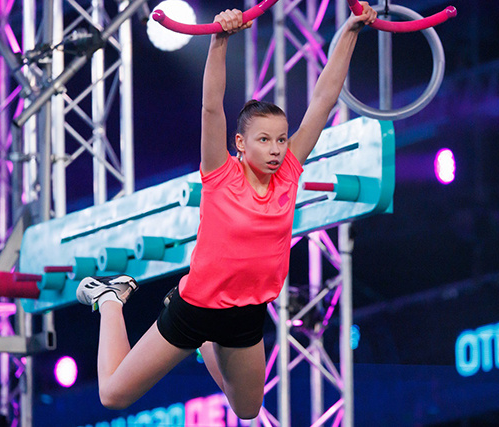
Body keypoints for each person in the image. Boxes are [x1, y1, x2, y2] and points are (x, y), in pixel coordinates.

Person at [76, 2, 377, 419]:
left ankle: (207, 345)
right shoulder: (220, 174)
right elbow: (211, 107)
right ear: (240, 143)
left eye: (281, 139)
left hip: (246, 315)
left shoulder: (289, 172)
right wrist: (219, 41)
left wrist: (351, 30)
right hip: (195, 309)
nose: (276, 149)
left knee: (248, 410)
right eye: (264, 140)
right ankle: (111, 298)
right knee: (113, 396)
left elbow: (324, 99)